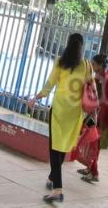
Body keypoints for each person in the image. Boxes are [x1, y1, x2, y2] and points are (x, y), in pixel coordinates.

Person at [27, 33, 91, 204]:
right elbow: (92, 89)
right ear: (82, 46)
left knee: (54, 149)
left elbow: (49, 85)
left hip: (59, 112)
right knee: (62, 149)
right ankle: (51, 178)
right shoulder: (86, 65)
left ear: (67, 44)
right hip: (75, 114)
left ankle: (58, 189)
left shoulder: (60, 62)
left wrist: (36, 97)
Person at [74, 53, 108, 183]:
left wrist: (95, 112)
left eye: (94, 64)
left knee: (95, 144)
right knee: (93, 143)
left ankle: (94, 173)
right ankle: (90, 169)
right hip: (99, 114)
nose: (92, 66)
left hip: (101, 117)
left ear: (100, 65)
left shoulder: (105, 78)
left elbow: (104, 100)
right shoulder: (103, 76)